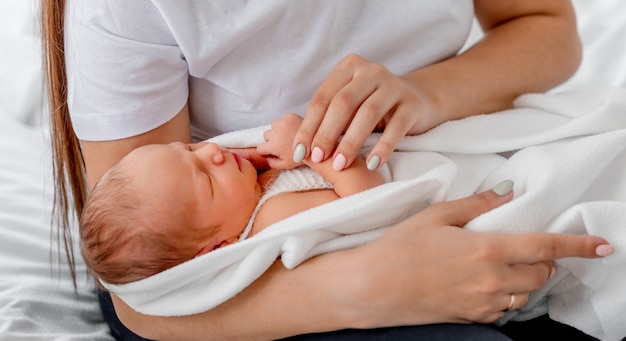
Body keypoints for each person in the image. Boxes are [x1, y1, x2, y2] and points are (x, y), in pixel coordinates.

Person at [41, 1, 614, 340]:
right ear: (213, 246)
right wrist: (369, 287)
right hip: (243, 308)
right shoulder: (239, 229)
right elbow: (147, 294)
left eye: (200, 152)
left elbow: (543, 22)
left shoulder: (250, 171)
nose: (215, 153)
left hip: (432, 157)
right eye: (200, 168)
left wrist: (425, 93)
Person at [81, 114, 385, 285]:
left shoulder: (246, 189)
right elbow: (369, 203)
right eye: (207, 179)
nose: (211, 151)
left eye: (188, 149)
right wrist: (308, 149)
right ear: (220, 247)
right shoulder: (272, 217)